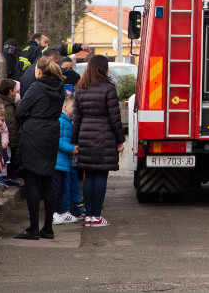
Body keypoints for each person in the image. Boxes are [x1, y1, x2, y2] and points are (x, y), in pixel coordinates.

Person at [14, 57, 65, 240]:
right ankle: (48, 228)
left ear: (39, 71)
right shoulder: (59, 87)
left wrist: (29, 113)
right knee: (47, 179)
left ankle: (34, 228)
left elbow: (20, 111)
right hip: (51, 132)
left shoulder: (37, 87)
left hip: (35, 132)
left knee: (31, 179)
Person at [72, 55, 126, 227]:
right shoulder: (108, 88)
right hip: (105, 135)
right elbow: (114, 117)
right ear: (104, 68)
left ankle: (88, 216)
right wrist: (120, 139)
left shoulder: (80, 88)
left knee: (89, 176)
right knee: (101, 175)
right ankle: (96, 216)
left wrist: (76, 140)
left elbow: (76, 117)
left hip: (85, 135)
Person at [17, 34, 87, 93]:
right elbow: (60, 48)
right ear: (37, 41)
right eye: (45, 42)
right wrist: (78, 47)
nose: (47, 45)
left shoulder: (21, 50)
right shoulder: (39, 51)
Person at [53, 96, 80, 224]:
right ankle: (53, 213)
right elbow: (57, 141)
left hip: (63, 163)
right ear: (64, 107)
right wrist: (72, 149)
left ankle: (62, 212)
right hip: (57, 163)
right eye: (73, 106)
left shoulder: (68, 122)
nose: (75, 109)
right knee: (56, 189)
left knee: (63, 188)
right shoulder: (61, 122)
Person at [0, 79, 21, 185]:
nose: (17, 92)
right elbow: (10, 124)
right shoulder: (6, 105)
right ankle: (7, 178)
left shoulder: (9, 103)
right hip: (7, 139)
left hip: (9, 138)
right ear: (11, 91)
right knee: (7, 158)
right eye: (16, 89)